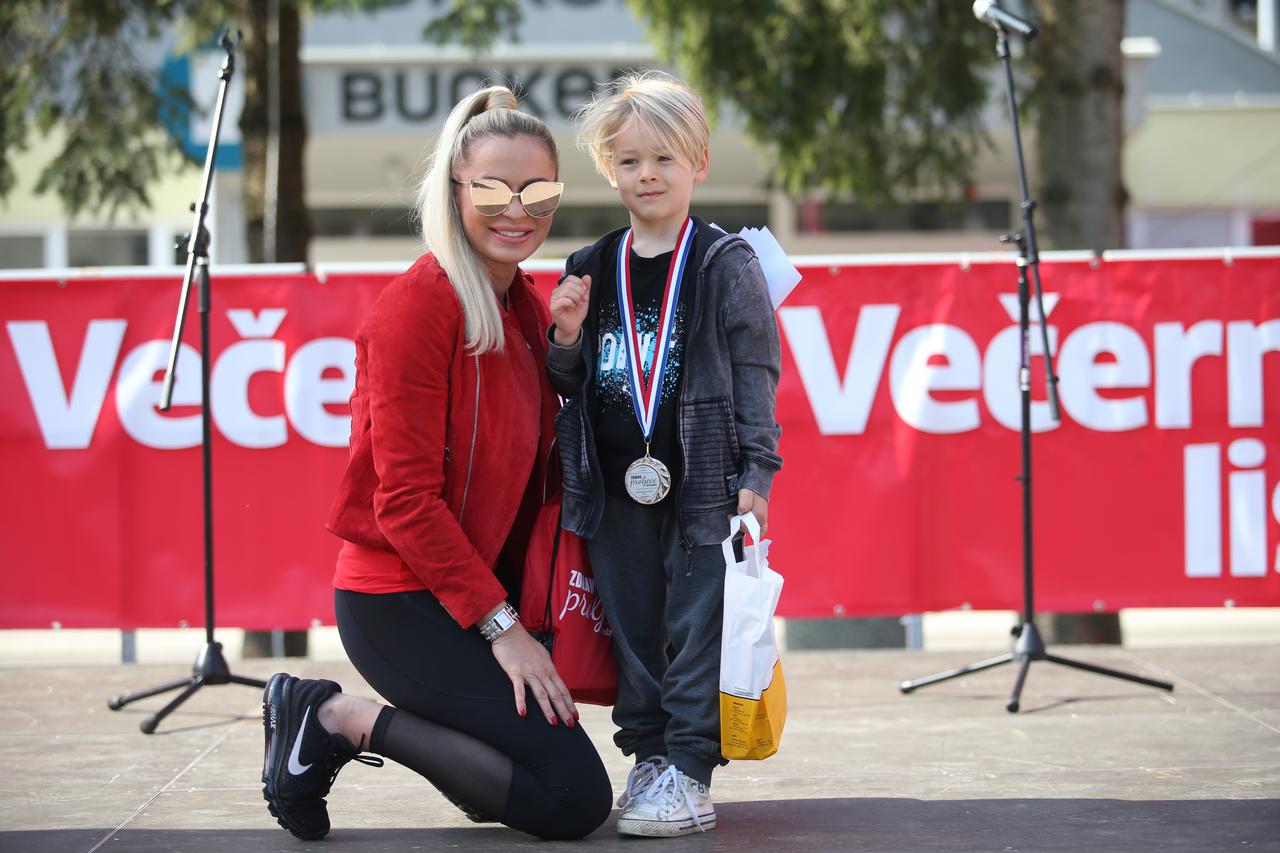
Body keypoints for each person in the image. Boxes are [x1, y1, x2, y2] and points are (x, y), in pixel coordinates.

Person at [260, 85, 612, 842]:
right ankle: (331, 715)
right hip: (399, 602)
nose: (518, 209)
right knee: (573, 800)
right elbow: (406, 503)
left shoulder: (524, 305)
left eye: (538, 191)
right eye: (492, 188)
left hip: (470, 593)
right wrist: (504, 630)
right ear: (455, 192)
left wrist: (568, 348)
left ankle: (455, 737)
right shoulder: (414, 311)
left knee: (501, 790)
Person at [546, 71, 783, 837]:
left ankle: (691, 770)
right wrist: (568, 336)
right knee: (634, 629)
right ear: (609, 169)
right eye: (630, 161)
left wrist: (758, 469)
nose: (647, 175)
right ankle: (648, 755)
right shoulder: (589, 263)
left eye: (664, 159)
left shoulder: (725, 263)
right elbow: (564, 382)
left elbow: (757, 372)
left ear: (699, 162)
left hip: (704, 485)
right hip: (613, 488)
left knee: (695, 629)